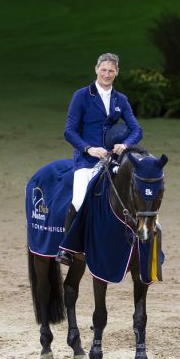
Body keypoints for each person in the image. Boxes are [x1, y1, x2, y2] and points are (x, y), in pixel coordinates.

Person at [56, 52, 143, 265]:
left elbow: (136, 129)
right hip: (87, 161)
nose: (106, 74)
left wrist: (126, 144)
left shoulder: (120, 99)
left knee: (133, 192)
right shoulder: (82, 96)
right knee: (78, 199)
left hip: (112, 160)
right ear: (96, 69)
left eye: (111, 71)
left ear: (117, 73)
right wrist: (89, 149)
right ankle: (67, 248)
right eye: (103, 70)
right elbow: (69, 131)